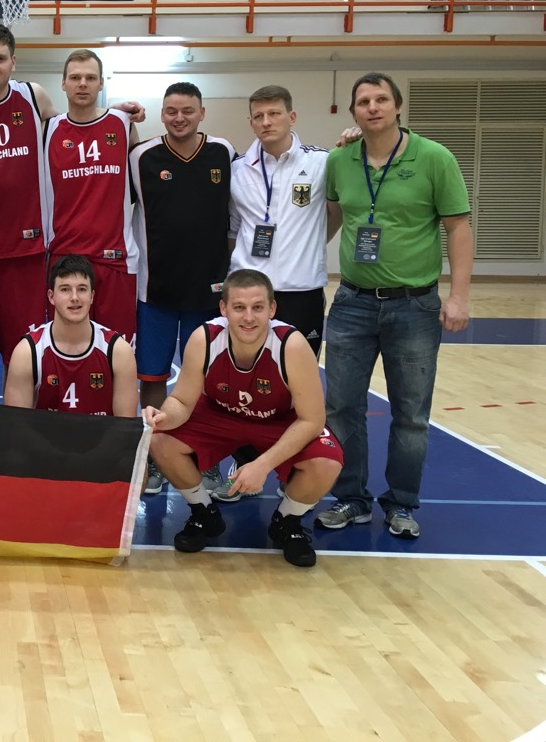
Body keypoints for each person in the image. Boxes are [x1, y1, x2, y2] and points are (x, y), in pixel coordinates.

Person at [0, 24, 143, 401]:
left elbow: (77, 126)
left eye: (0, 58)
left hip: (26, 251)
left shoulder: (33, 96)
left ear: (13, 62)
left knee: (23, 354)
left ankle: (20, 423)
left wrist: (115, 113)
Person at [316, 72, 472, 540]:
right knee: (341, 407)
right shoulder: (340, 159)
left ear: (398, 106)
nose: (373, 107)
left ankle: (402, 503)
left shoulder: (435, 158)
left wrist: (459, 296)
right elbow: (330, 218)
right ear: (353, 112)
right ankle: (350, 498)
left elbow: (459, 228)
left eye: (381, 99)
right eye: (363, 101)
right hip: (351, 302)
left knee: (411, 414)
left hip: (414, 306)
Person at [144, 269, 344, 567]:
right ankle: (204, 514)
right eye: (239, 307)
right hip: (219, 415)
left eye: (257, 307)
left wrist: (262, 465)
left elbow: (312, 421)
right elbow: (182, 401)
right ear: (223, 309)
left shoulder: (291, 345)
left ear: (272, 309)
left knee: (327, 462)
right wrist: (164, 416)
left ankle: (287, 522)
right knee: (159, 440)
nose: (248, 317)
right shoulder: (205, 338)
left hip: (279, 421)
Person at [218, 84, 341, 504]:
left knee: (294, 391)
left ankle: (291, 471)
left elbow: (335, 212)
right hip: (249, 297)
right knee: (242, 387)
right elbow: (235, 227)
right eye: (258, 116)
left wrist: (308, 250)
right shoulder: (238, 169)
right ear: (251, 122)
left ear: (292, 116)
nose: (266, 122)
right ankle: (243, 467)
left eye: (274, 113)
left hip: (301, 293)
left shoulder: (322, 162)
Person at [129, 82, 236, 493]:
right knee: (152, 377)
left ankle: (204, 459)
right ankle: (154, 457)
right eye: (171, 111)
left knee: (207, 382)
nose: (179, 118)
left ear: (201, 113)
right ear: (162, 114)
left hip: (208, 293)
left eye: (187, 111)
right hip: (154, 291)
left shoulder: (223, 152)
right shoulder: (141, 157)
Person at [43, 49, 140, 341]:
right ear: (63, 83)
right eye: (75, 77)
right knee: (66, 348)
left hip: (115, 258)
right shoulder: (48, 129)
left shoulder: (122, 123)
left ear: (101, 83)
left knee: (118, 349)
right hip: (65, 257)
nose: (82, 83)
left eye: (90, 77)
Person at [4, 255, 138, 418]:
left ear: (92, 296)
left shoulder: (118, 351)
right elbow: (17, 426)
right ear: (51, 296)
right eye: (65, 289)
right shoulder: (28, 352)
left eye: (82, 289)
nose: (74, 297)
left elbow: (124, 427)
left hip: (103, 435)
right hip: (44, 435)